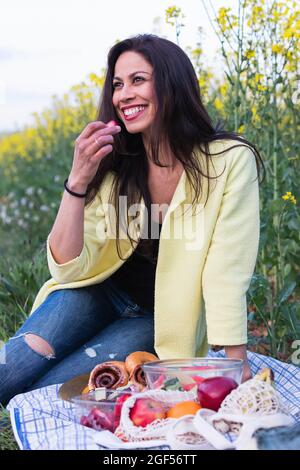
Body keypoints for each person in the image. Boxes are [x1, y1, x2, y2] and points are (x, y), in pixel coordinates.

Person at [0, 34, 265, 405]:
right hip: (95, 293)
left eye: (138, 80)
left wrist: (236, 365)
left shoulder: (228, 161)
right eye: (117, 85)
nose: (123, 95)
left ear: (172, 82)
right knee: (9, 373)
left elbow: (227, 266)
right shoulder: (117, 162)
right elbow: (66, 267)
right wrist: (77, 180)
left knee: (49, 395)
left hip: (156, 317)